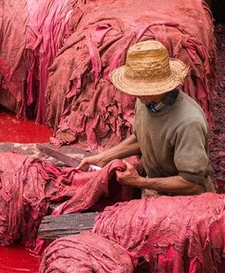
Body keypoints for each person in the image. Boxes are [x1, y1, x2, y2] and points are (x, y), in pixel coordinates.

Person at [77, 40, 215, 195]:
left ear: (158, 87)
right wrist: (102, 158)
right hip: (156, 191)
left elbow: (193, 183)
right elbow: (141, 138)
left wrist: (140, 182)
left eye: (138, 88)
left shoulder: (189, 122)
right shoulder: (145, 102)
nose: (133, 93)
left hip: (188, 203)